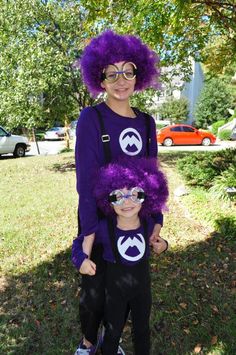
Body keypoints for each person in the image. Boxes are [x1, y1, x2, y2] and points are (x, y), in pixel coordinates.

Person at [72, 30, 168, 354]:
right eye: (111, 73)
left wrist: (155, 220)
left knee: (126, 286)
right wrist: (87, 235)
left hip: (133, 220)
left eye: (128, 70)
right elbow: (85, 184)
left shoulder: (147, 122)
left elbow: (152, 176)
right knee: (95, 290)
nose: (121, 79)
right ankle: (87, 343)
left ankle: (109, 339)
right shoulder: (91, 118)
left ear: (138, 73)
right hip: (99, 220)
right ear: (100, 77)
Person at [74, 156, 169, 355]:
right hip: (114, 293)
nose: (127, 202)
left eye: (135, 194)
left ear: (148, 195)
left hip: (143, 291)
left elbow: (159, 242)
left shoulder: (147, 224)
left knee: (143, 330)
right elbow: (80, 242)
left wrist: (164, 245)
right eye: (118, 195)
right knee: (112, 330)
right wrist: (81, 260)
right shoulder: (103, 228)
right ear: (108, 199)